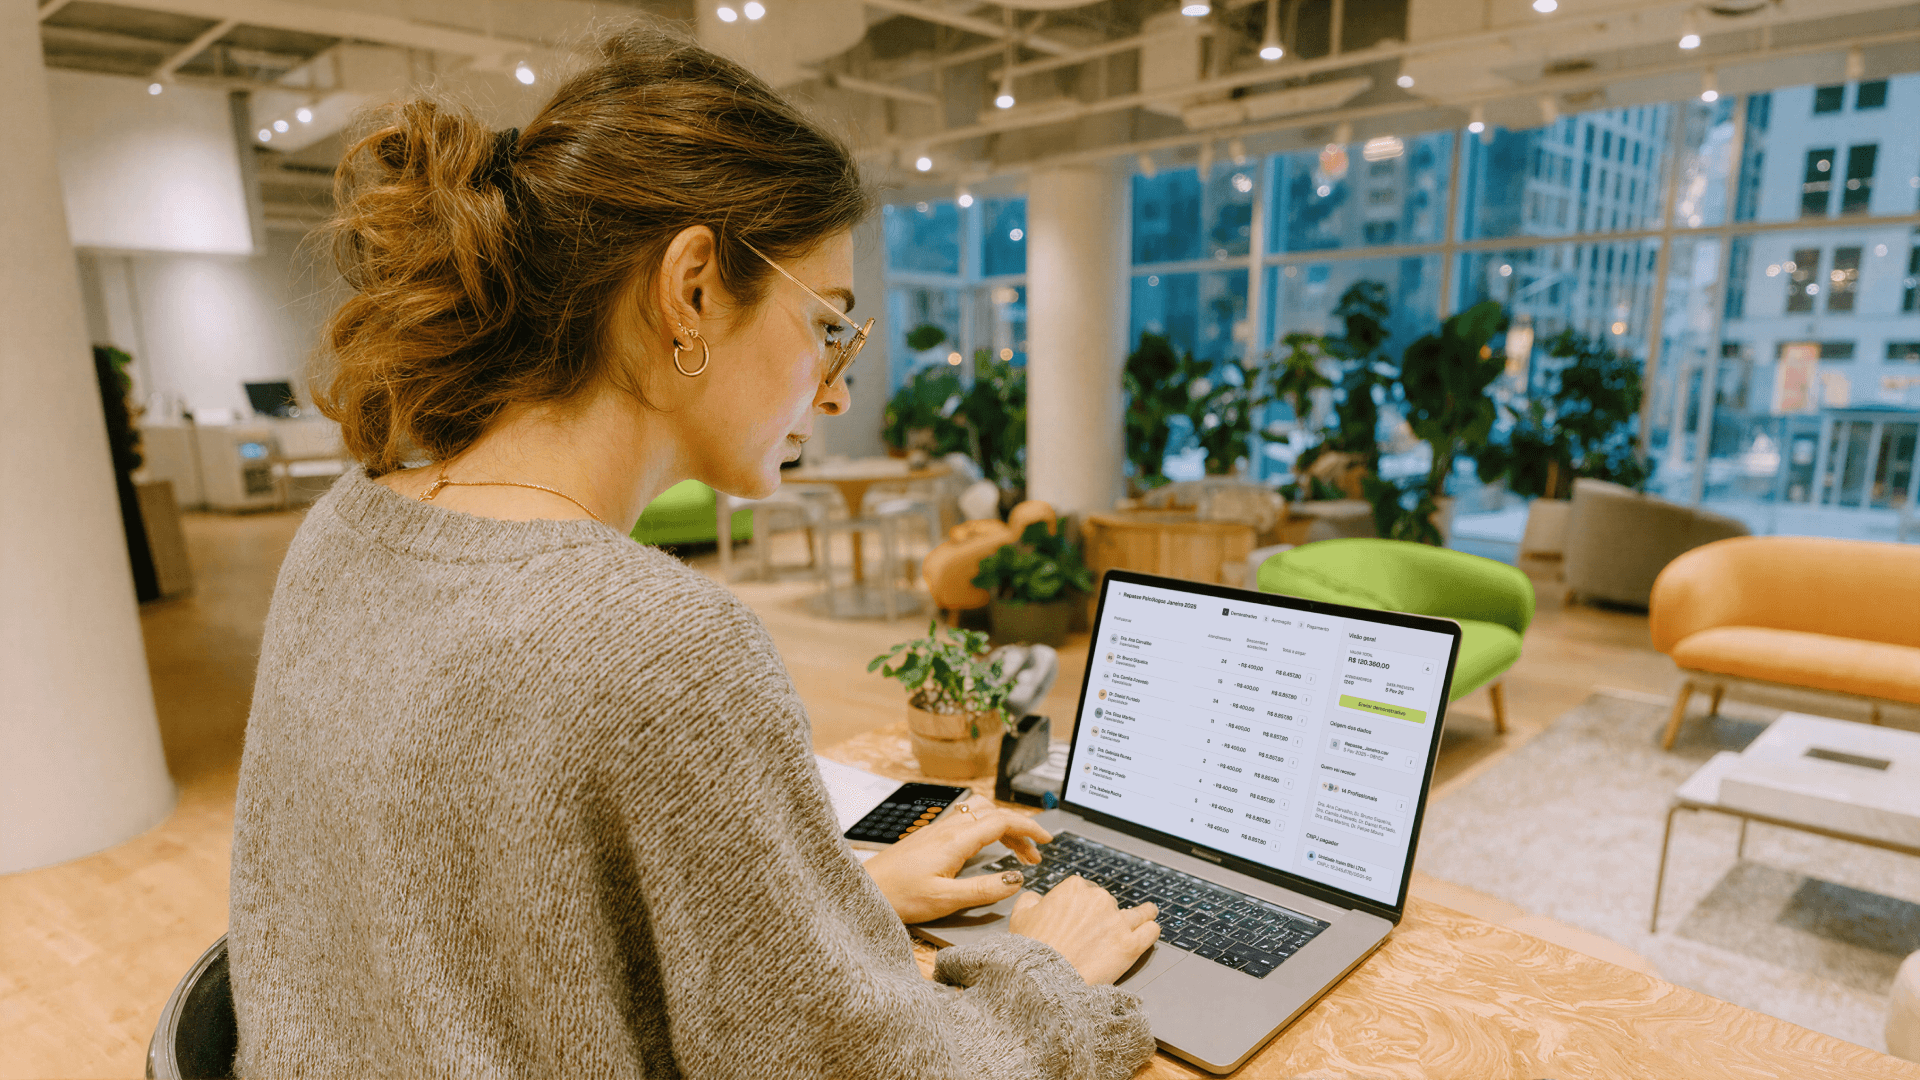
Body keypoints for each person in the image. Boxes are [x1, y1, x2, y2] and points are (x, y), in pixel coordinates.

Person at [227, 25, 1160, 1080]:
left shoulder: (342, 531)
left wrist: (823, 909)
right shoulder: (660, 647)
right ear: (694, 290)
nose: (837, 392)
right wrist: (1048, 977)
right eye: (829, 327)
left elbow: (477, 930)